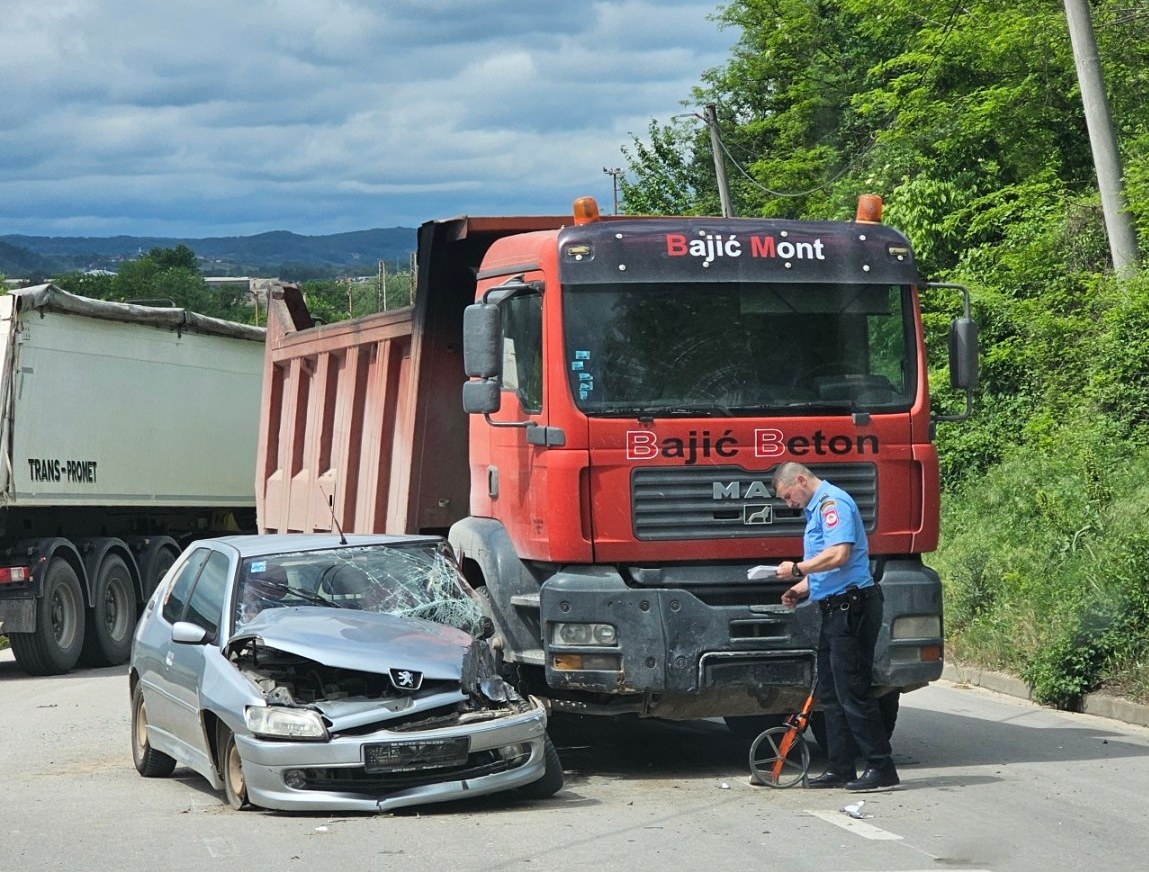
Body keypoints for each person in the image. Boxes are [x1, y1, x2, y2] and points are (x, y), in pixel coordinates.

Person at [772, 461, 899, 791]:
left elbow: (840, 554)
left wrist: (798, 569)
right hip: (834, 606)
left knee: (852, 690)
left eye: (788, 496)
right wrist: (798, 591)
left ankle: (880, 765)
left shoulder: (833, 503)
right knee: (830, 693)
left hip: (853, 607)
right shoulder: (814, 512)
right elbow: (827, 570)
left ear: (800, 480)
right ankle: (840, 767)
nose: (789, 504)